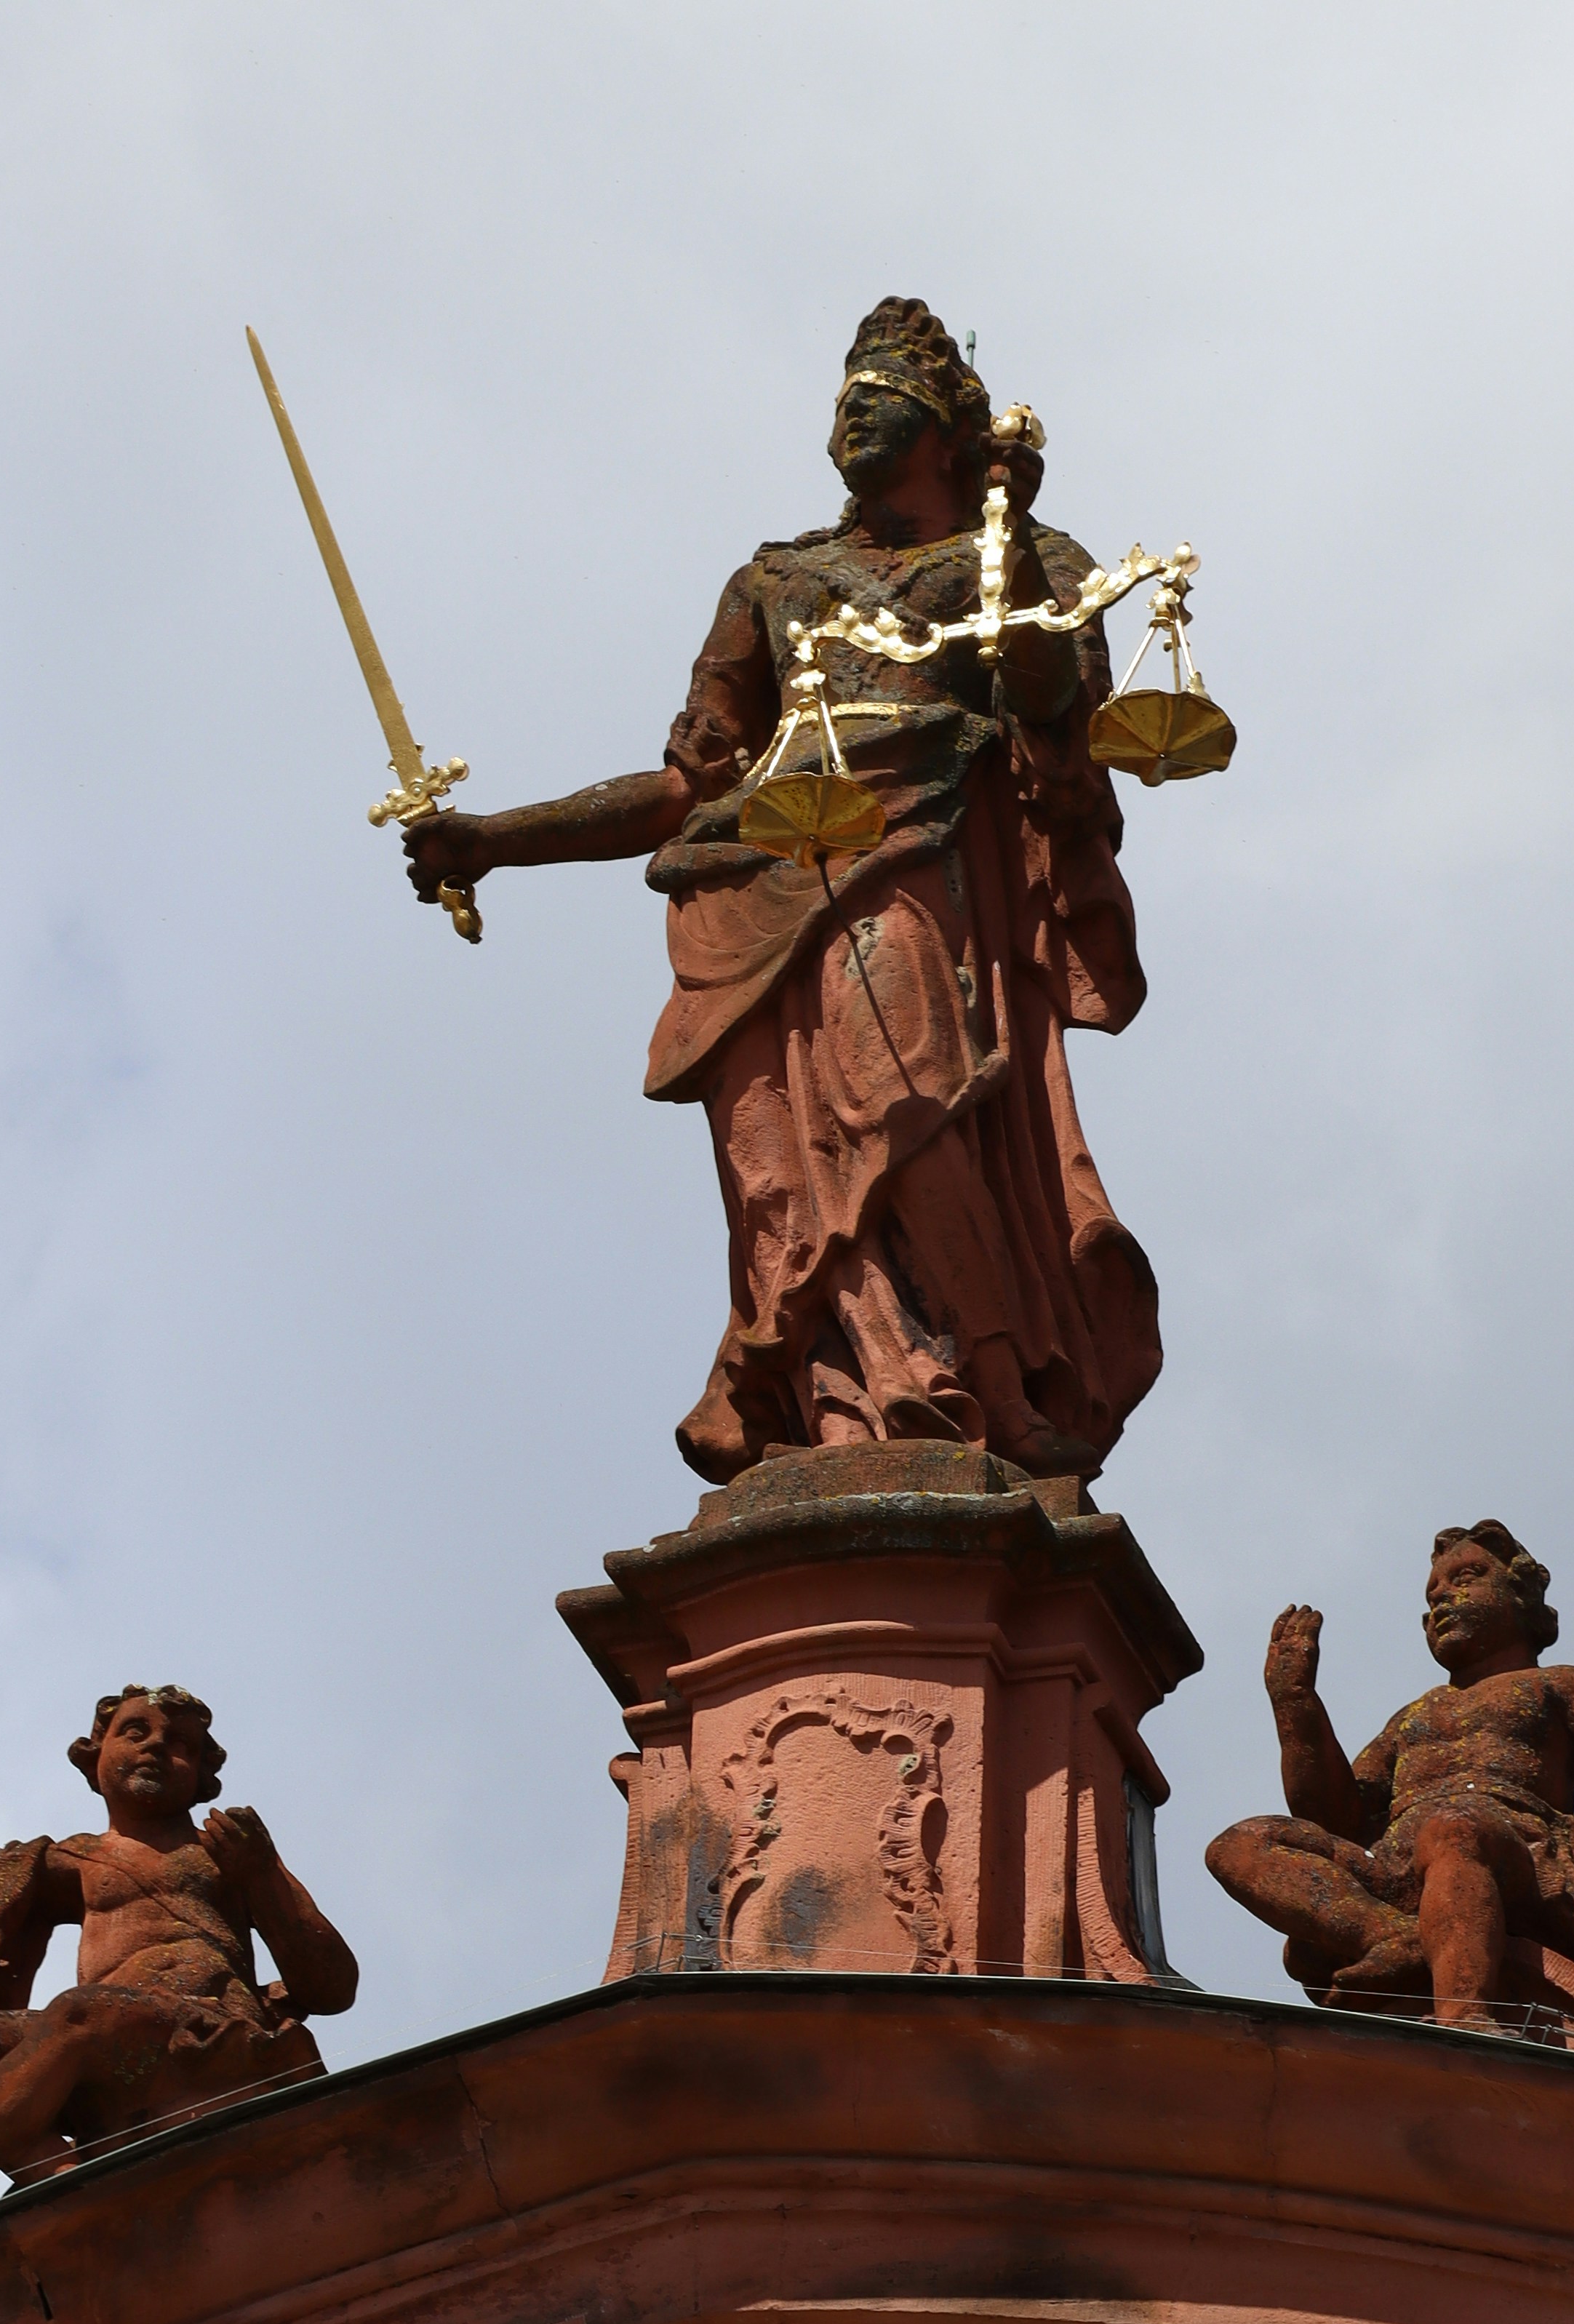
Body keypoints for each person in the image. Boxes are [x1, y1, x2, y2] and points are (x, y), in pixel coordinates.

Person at [402, 297, 1159, 1485]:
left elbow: (1062, 702)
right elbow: (682, 782)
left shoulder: (1014, 553)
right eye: (845, 400)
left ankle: (990, 1388)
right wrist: (496, 837)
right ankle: (850, 1394)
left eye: (882, 399)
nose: (854, 418)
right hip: (740, 887)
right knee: (773, 1175)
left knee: (906, 1106)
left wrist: (1016, 562)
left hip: (902, 852)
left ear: (947, 429)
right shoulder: (774, 580)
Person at [0, 1688, 359, 2237]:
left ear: (201, 1774)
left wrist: (263, 1872)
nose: (155, 1747)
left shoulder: (224, 1855)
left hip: (206, 2029)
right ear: (93, 1754)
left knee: (82, 2013)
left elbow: (331, 1988)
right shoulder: (74, 1857)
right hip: (103, 2038)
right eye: (136, 1731)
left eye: (180, 1745)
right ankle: (59, 2174)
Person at [1205, 1523, 1574, 2032]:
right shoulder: (1413, 1716)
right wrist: (1296, 1703)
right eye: (1433, 1598)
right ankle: (1398, 1937)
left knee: (1452, 1827)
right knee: (1242, 1843)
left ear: (1520, 1597)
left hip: (1512, 1860)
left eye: (1466, 1578)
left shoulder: (1555, 1685)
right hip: (1399, 1870)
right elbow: (1335, 1818)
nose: (1443, 1601)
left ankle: (1466, 2018)